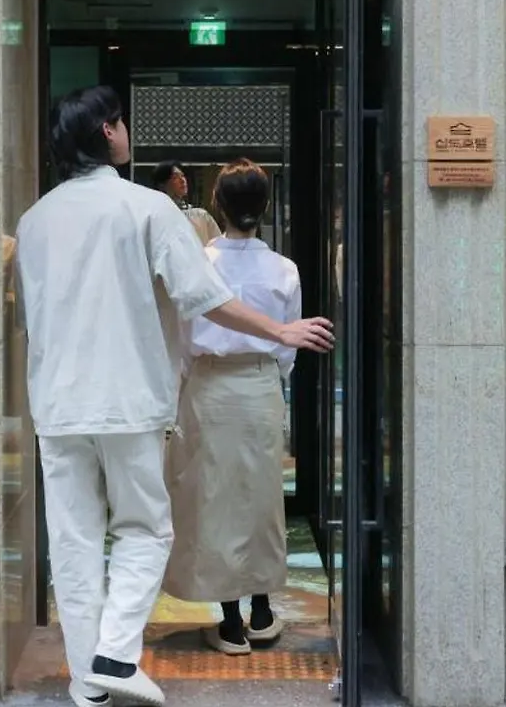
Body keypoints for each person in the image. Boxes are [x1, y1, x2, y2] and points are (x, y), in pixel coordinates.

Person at [16, 88, 334, 707]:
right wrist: (279, 331)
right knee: (144, 530)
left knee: (75, 541)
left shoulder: (35, 220)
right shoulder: (147, 208)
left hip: (55, 402)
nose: (126, 130)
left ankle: (88, 681)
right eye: (121, 122)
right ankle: (115, 654)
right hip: (129, 398)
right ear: (107, 132)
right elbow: (204, 296)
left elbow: (30, 317)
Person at [163, 159, 321, 654]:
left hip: (208, 386)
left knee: (214, 501)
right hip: (259, 384)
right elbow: (288, 347)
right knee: (262, 499)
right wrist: (269, 373)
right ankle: (263, 610)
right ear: (266, 206)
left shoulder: (200, 263)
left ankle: (230, 621)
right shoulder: (284, 270)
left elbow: (181, 339)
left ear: (218, 205)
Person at [150, 160, 222, 245]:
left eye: (183, 176)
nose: (182, 180)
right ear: (162, 185)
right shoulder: (154, 217)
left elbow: (218, 244)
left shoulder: (200, 215)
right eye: (175, 177)